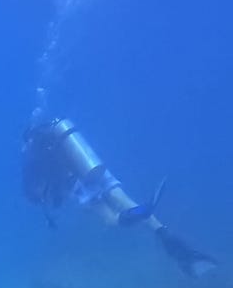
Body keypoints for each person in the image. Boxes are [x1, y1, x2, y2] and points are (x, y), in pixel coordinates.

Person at [23, 117, 217, 276]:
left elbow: (40, 192)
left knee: (110, 218)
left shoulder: (34, 159)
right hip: (95, 169)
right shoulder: (59, 137)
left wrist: (50, 200)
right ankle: (168, 238)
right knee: (123, 200)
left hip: (76, 184)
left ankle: (139, 213)